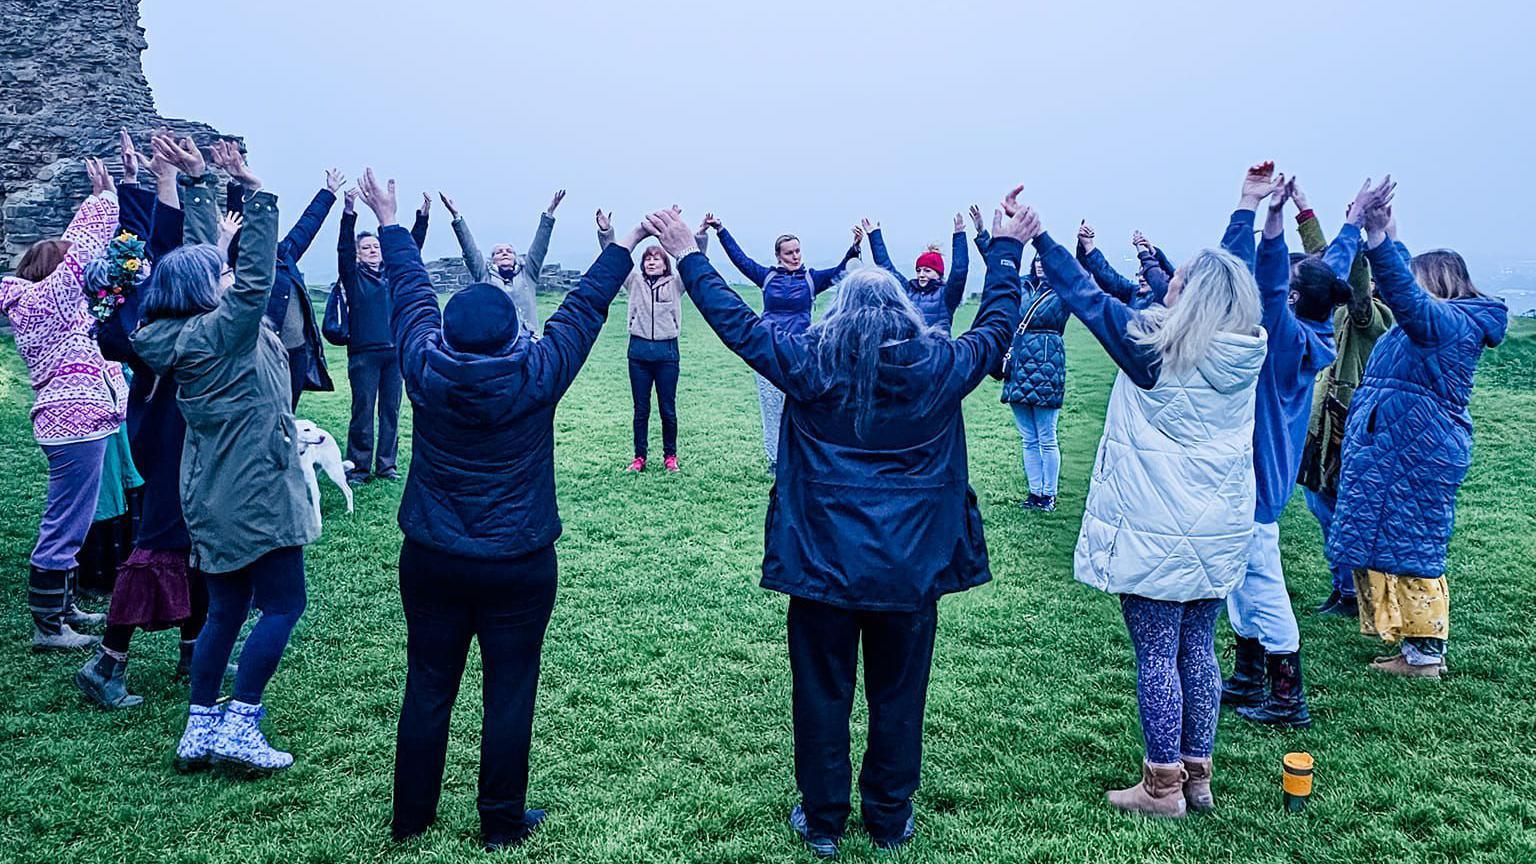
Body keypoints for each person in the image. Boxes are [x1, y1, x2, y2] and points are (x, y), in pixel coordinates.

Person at [654, 191, 1027, 856]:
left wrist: (689, 254)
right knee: (898, 696)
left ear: (840, 314)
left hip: (823, 563)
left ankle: (825, 819)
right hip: (908, 567)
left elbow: (739, 328)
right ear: (902, 314)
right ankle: (888, 816)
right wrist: (1005, 247)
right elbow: (997, 323)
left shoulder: (812, 363)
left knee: (822, 694)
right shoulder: (938, 366)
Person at [354, 169, 641, 851]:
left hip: (433, 556)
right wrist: (622, 245)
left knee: (427, 685)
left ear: (450, 335)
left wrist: (392, 224)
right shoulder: (536, 372)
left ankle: (412, 817)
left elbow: (413, 296)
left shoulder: (425, 365)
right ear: (513, 329)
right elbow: (582, 311)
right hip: (517, 561)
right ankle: (500, 823)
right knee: (509, 692)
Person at [1016, 185, 1265, 818]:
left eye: (1178, 279)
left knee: (1157, 653)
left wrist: (1039, 235)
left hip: (1156, 525)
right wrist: (1246, 207)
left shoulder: (1154, 352)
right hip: (1219, 525)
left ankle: (1161, 787)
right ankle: (1198, 776)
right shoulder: (1244, 352)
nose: (1168, 285)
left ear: (1192, 295)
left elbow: (1084, 296)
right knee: (1198, 650)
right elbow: (1224, 273)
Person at [133, 152, 318, 775]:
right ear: (206, 292)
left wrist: (201, 186)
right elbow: (255, 275)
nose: (226, 274)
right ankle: (241, 720)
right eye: (219, 274)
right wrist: (256, 192)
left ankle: (198, 727)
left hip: (211, 490)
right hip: (256, 488)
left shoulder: (181, 331)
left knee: (226, 610)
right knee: (284, 604)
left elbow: (197, 260)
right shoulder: (222, 333)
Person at [1327, 184, 1507, 679]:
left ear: (1440, 283)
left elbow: (1405, 296)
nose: (1406, 286)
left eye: (1418, 280)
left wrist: (1377, 237)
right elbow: (1405, 286)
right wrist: (1387, 229)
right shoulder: (1439, 322)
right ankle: (1410, 648)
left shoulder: (1447, 324)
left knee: (1416, 550)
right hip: (1401, 449)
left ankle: (1425, 657)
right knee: (1398, 545)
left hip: (1416, 451)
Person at [77, 132, 220, 708]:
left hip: (188, 447)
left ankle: (195, 648)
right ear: (196, 293)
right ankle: (107, 663)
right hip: (169, 449)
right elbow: (158, 265)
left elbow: (168, 259)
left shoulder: (166, 330)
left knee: (197, 548)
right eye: (214, 281)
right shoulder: (168, 340)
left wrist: (162, 182)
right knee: (158, 549)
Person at [1218, 163, 1360, 730]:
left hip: (1253, 483)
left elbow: (1264, 283)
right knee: (1239, 580)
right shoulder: (1314, 327)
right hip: (1256, 482)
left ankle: (1286, 696)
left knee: (1262, 584)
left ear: (1296, 297)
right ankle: (1249, 674)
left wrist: (1265, 219)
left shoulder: (1281, 343)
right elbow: (1335, 266)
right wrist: (1343, 222)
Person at [1, 157, 122, 651]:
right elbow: (82, 253)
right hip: (77, 423)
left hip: (68, 422)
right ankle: (50, 627)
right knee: (66, 519)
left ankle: (64, 607)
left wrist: (95, 201)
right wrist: (106, 199)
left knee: (73, 513)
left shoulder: (34, 301)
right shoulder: (51, 300)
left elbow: (71, 252)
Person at [1292, 177, 1391, 618]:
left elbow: (1348, 273)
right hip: (1323, 428)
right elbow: (1323, 266)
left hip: (1350, 427)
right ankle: (1343, 588)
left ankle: (1357, 593)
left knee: (1347, 513)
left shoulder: (1371, 318)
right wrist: (1304, 207)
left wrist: (1361, 227)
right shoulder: (1330, 311)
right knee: (1321, 505)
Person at [702, 214, 862, 470]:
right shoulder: (766, 277)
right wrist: (721, 230)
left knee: (802, 407)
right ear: (779, 256)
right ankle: (775, 460)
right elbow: (740, 259)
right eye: (789, 253)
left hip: (800, 353)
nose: (795, 256)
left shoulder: (811, 279)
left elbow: (841, 272)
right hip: (768, 351)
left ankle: (803, 456)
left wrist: (854, 248)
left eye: (798, 251)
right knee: (771, 407)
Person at [215, 142, 340, 409]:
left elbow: (309, 224)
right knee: (263, 409)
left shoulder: (285, 255)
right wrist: (238, 182)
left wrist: (328, 192)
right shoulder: (243, 261)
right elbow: (239, 219)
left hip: (295, 353)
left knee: (287, 410)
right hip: (265, 351)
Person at [597, 208, 709, 472]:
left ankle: (670, 457)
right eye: (647, 259)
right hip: (638, 354)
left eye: (657, 259)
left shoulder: (676, 283)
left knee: (668, 410)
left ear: (665, 263)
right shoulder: (633, 282)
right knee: (641, 410)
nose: (651, 263)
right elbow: (613, 258)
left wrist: (700, 236)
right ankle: (639, 458)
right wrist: (606, 232)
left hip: (667, 353)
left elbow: (696, 259)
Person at [337, 187, 428, 484]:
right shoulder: (352, 277)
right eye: (366, 248)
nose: (373, 250)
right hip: (364, 353)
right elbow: (344, 250)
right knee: (362, 411)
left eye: (376, 246)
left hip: (394, 353)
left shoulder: (392, 275)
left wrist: (422, 217)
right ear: (359, 255)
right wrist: (349, 211)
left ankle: (386, 465)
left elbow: (412, 249)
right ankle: (359, 467)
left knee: (391, 410)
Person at [994, 248, 1069, 510]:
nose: (1039, 265)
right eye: (1037, 260)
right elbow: (999, 267)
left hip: (1048, 367)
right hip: (1020, 365)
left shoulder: (1063, 292)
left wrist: (1084, 246)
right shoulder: (1022, 286)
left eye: (1044, 261)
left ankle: (1049, 494)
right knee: (1028, 438)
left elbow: (1082, 272)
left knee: (1047, 437)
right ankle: (1035, 493)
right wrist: (982, 234)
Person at [440, 189, 564, 337]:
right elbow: (470, 250)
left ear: (515, 257)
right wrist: (456, 216)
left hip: (530, 340)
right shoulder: (484, 276)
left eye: (509, 251)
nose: (504, 253)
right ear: (492, 260)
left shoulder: (528, 274)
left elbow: (539, 246)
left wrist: (549, 214)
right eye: (499, 252)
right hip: (496, 343)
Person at [863, 215, 970, 333]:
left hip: (938, 349)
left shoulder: (947, 294)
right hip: (911, 349)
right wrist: (874, 235)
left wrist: (959, 235)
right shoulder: (908, 289)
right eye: (918, 270)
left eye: (927, 271)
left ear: (939, 274)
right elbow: (886, 266)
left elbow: (959, 271)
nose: (921, 274)